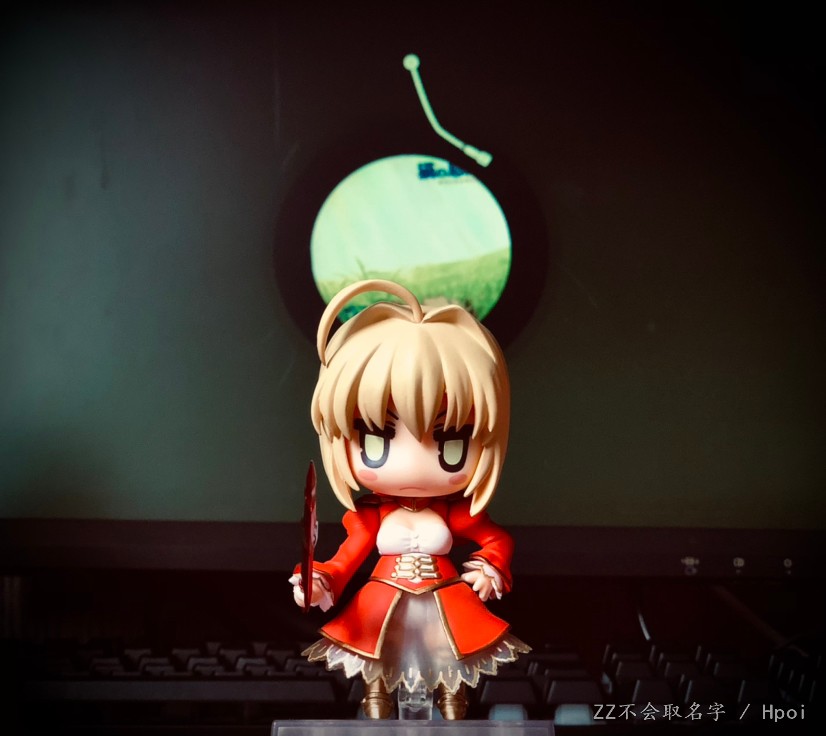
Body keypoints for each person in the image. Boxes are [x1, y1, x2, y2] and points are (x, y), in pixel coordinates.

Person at [289, 279, 529, 719]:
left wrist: (489, 568)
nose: (413, 463)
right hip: (383, 601)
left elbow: (496, 540)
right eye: (376, 439)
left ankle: (453, 701)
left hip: (444, 600)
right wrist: (319, 580)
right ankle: (376, 698)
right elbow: (346, 559)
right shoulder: (371, 516)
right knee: (379, 651)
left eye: (451, 440)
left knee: (451, 659)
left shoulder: (455, 512)